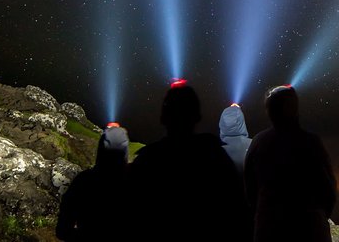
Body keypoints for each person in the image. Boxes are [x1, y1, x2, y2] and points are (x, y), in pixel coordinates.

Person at [127, 80, 249, 241]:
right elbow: (236, 206)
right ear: (197, 116)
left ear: (163, 117)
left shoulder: (146, 161)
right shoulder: (215, 156)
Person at [244, 85, 337, 242]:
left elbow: (250, 188)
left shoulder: (259, 142)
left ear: (269, 111)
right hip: (309, 228)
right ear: (294, 109)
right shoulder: (310, 142)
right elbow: (328, 188)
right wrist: (318, 215)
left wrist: (263, 213)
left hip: (270, 228)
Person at [56, 122, 130, 241]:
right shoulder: (138, 181)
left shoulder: (83, 181)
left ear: (101, 149)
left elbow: (62, 231)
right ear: (125, 151)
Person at [219, 103, 252, 174]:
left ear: (221, 123)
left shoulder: (215, 150)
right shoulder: (253, 145)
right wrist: (237, 111)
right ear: (242, 122)